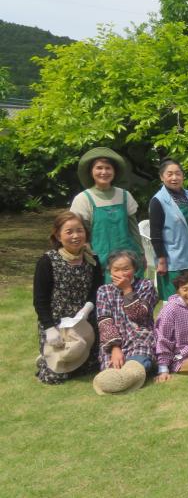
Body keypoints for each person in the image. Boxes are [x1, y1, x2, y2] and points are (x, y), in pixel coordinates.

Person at [32, 211, 103, 385]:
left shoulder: (92, 259)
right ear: (58, 235)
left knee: (91, 368)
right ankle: (45, 357)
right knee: (55, 377)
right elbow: (39, 300)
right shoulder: (47, 262)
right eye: (69, 232)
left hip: (84, 321)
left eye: (79, 230)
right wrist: (49, 328)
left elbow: (96, 290)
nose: (75, 236)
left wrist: (87, 309)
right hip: (56, 324)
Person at [69, 146, 143, 280]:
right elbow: (81, 236)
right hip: (99, 262)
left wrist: (141, 254)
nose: (104, 172)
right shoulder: (83, 199)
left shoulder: (125, 196)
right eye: (99, 168)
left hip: (129, 261)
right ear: (91, 172)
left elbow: (134, 230)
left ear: (114, 171)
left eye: (108, 168)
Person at [93, 250, 158, 395]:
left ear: (134, 269)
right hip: (114, 342)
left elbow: (140, 316)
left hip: (140, 338)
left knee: (137, 364)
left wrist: (127, 289)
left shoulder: (146, 286)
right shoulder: (104, 291)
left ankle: (127, 377)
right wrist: (115, 348)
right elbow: (105, 321)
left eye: (126, 269)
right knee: (111, 367)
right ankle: (115, 380)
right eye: (116, 269)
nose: (121, 273)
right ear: (110, 270)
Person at [149, 159, 188, 301]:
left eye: (178, 174)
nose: (174, 178)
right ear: (162, 177)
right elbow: (155, 233)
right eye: (170, 174)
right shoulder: (158, 200)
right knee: (176, 300)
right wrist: (161, 259)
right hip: (173, 258)